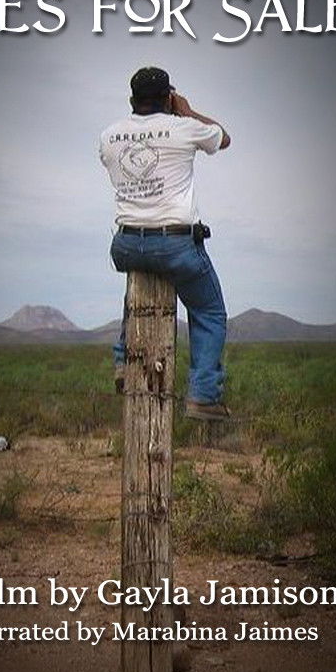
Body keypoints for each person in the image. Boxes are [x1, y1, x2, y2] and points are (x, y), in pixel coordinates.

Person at [99, 66, 231, 421]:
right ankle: (203, 395)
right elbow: (223, 139)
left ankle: (123, 360)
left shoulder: (109, 135)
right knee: (209, 312)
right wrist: (186, 111)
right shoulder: (183, 127)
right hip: (174, 243)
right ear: (168, 97)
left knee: (138, 291)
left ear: (132, 99)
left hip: (127, 242)